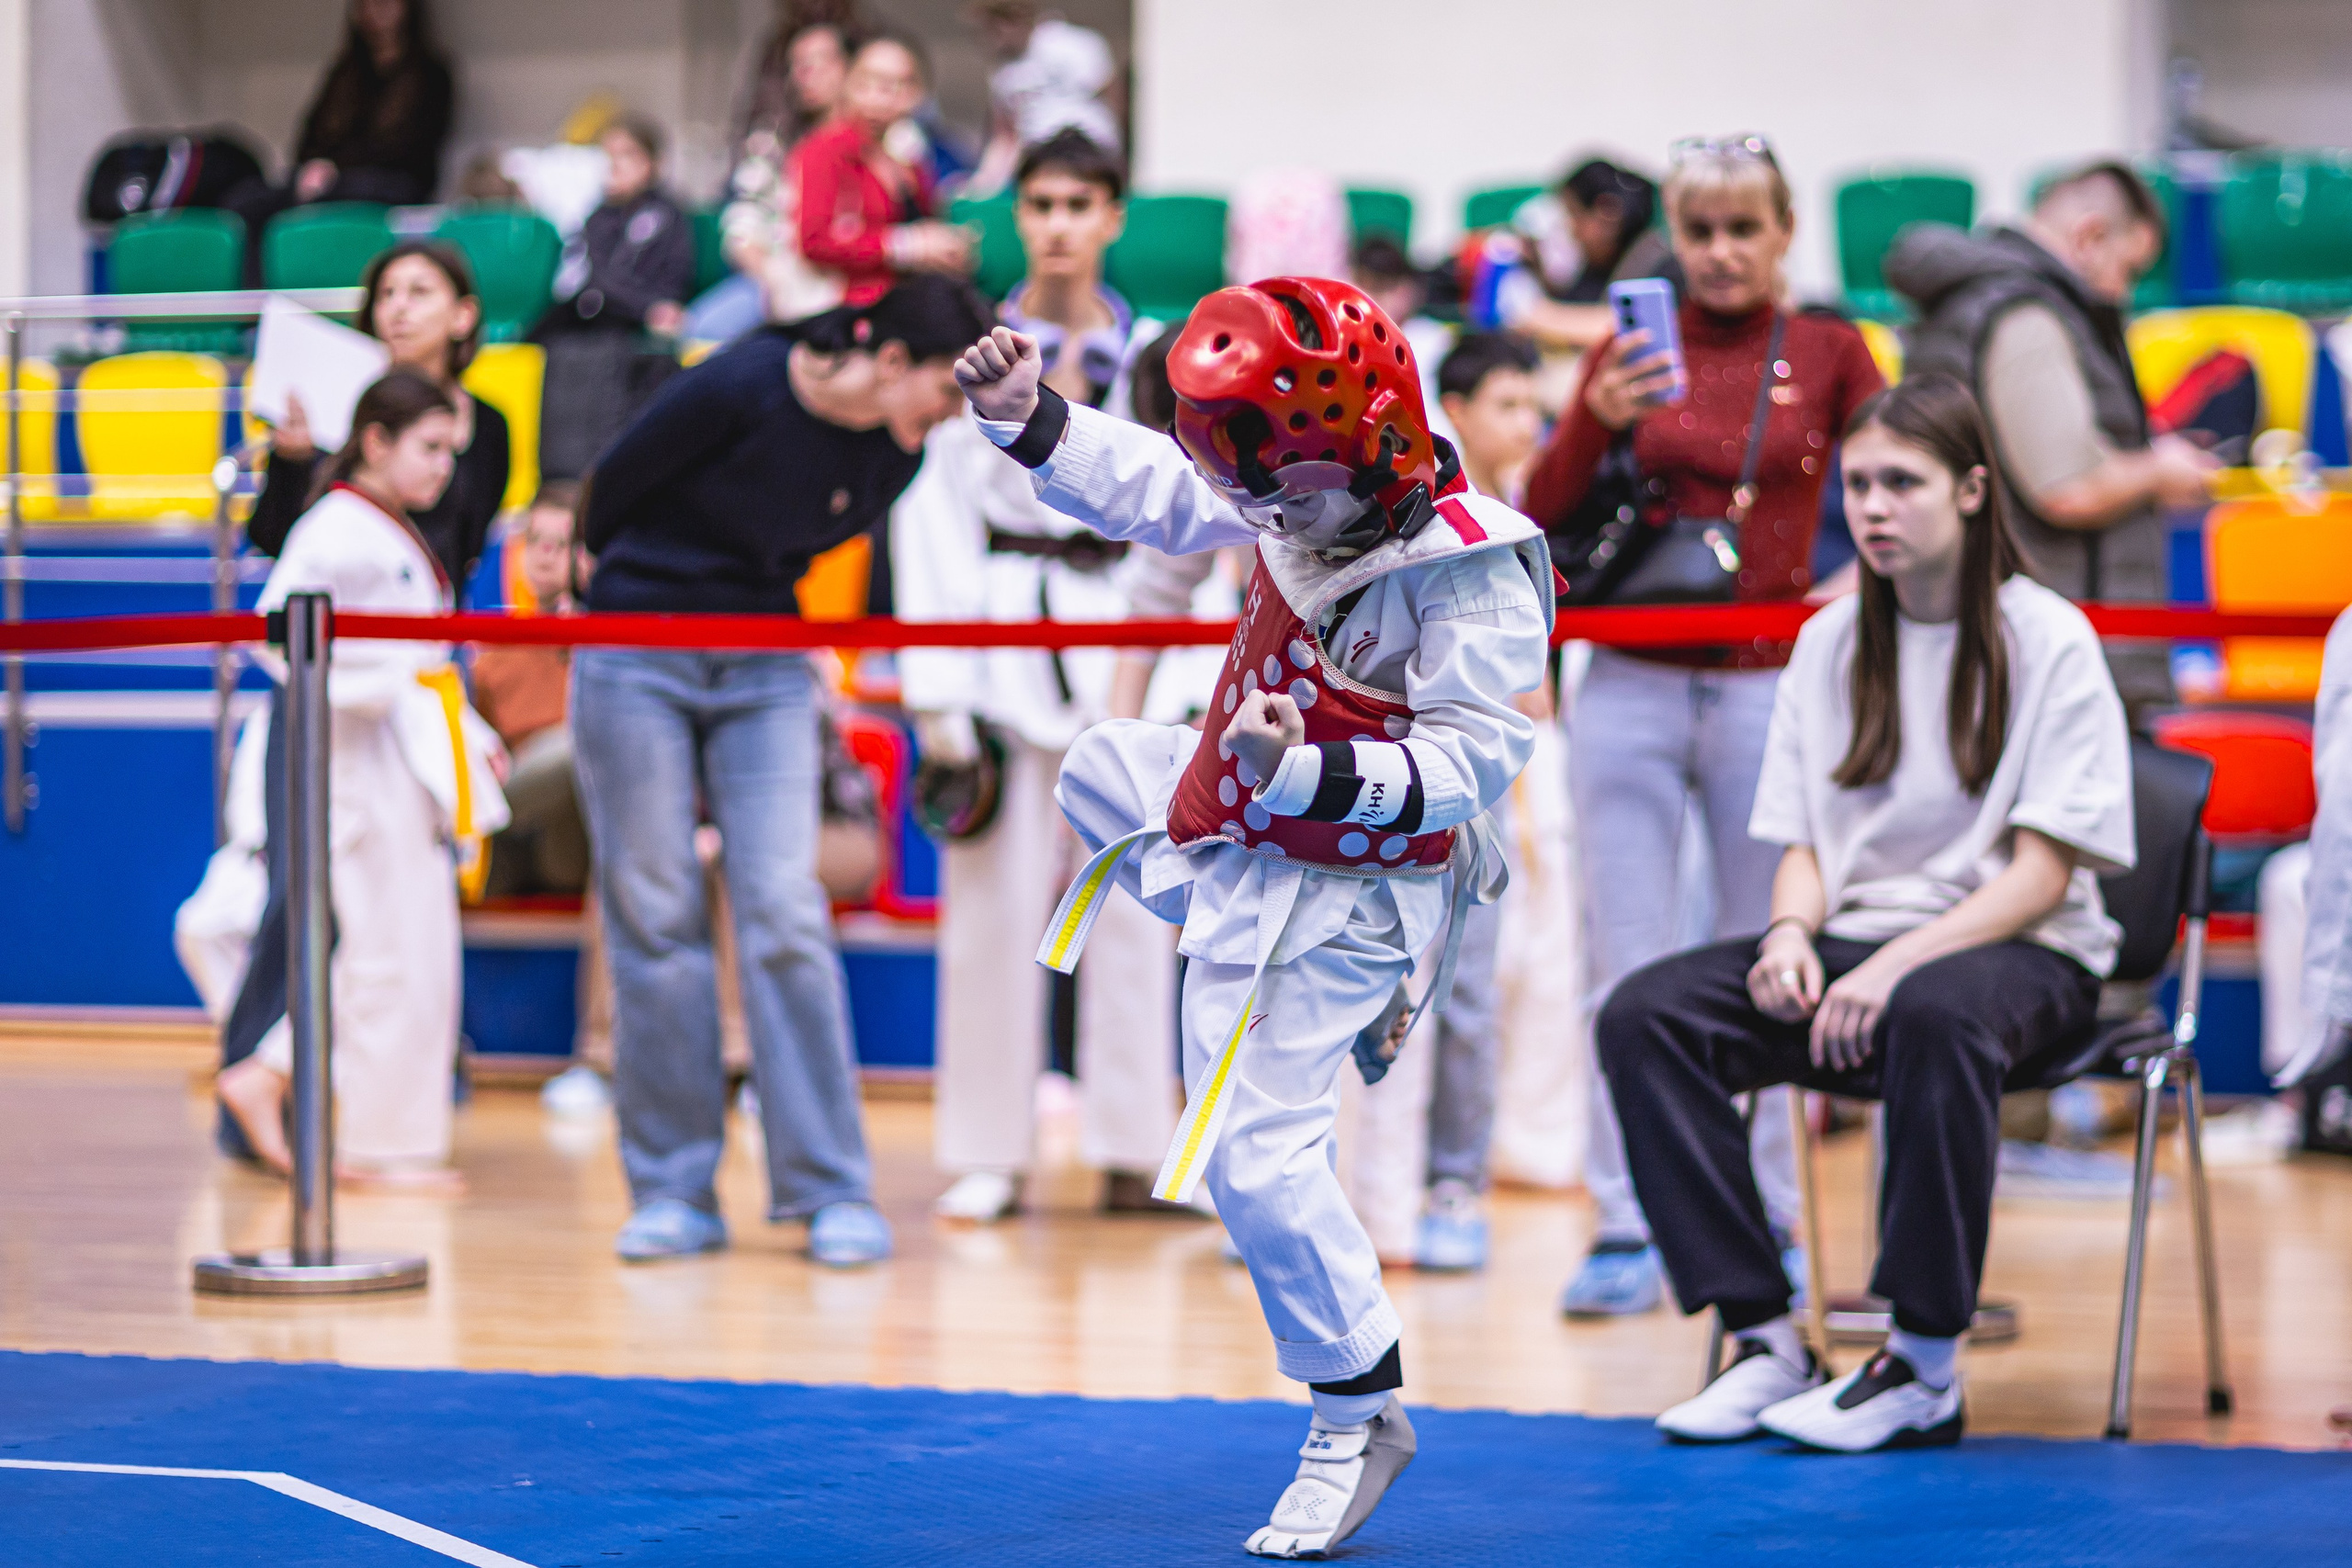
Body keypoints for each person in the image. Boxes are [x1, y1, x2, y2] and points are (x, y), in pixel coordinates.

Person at [955, 274, 1553, 1557]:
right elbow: (1166, 490)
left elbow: (1475, 762)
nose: (1269, 517)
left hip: (1365, 875)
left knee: (1253, 1161)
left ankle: (1357, 1409)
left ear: (1374, 434)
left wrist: (1307, 774)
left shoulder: (1472, 559)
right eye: (1258, 492)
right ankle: (1257, 931)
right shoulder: (1284, 480)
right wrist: (1032, 415)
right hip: (1256, 843)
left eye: (1291, 493)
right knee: (1105, 761)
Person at [1606, 374, 2133, 1451]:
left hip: (2020, 950)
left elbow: (2038, 880)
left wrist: (1888, 971)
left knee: (1936, 1010)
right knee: (1644, 1015)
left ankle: (1922, 1366)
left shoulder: (2052, 639)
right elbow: (1803, 844)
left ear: (1974, 490)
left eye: (1904, 482)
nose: (1875, 508)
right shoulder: (1830, 640)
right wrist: (1792, 933)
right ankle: (1764, 1339)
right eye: (1858, 486)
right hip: (1854, 946)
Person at [1522, 134, 1885, 1318]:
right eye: (1699, 231)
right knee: (1619, 959)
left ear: (1784, 234)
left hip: (1767, 685)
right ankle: (1625, 1219)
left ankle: (1768, 1217)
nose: (1721, 254)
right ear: (1669, 240)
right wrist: (1594, 416)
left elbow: (1903, 479)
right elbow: (1537, 510)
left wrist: (1849, 598)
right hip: (1624, 675)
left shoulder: (1832, 348)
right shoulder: (1629, 345)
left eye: (1744, 229)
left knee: (1768, 961)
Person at [574, 275, 989, 1267]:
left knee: (784, 909)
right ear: (890, 361)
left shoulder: (897, 456)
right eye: (941, 389)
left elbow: (808, 542)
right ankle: (674, 1188)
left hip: (762, 660)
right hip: (637, 649)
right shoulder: (741, 382)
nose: (946, 415)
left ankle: (827, 1187)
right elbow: (614, 486)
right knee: (656, 909)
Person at [894, 130, 1180, 1222]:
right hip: (1005, 632)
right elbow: (932, 524)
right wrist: (940, 701)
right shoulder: (975, 348)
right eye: (1042, 204)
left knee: (1142, 908)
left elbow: (1201, 513)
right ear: (1020, 215)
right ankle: (986, 1148)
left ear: (1112, 216)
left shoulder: (1159, 355)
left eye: (1080, 204)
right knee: (990, 907)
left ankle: (1131, 1146)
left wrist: (1195, 677)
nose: (1059, 223)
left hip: (1131, 629)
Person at [216, 369, 508, 1191]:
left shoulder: (384, 527)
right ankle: (371, 1141)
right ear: (376, 441)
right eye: (429, 447)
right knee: (382, 954)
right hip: (356, 763)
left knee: (405, 954)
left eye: (452, 449)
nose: (444, 466)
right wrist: (380, 691)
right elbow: (279, 642)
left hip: (400, 755)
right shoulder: (335, 529)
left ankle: (277, 1077)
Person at [1888, 160, 2217, 722]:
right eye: (2128, 269)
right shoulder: (2026, 312)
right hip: (2044, 667)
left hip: (1993, 644)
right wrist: (2162, 470)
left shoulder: (1975, 300)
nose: (2124, 291)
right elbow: (2068, 487)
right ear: (2090, 235)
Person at [247, 240, 512, 589]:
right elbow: (274, 538)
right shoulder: (333, 404)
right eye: (386, 294)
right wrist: (292, 461)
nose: (398, 308)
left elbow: (467, 551)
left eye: (419, 292)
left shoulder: (489, 424)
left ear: (463, 315)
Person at [222, 0, 454, 285]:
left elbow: (409, 150)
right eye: (366, 5)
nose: (374, 12)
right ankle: (256, 310)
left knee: (357, 188)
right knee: (246, 199)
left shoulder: (430, 73)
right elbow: (309, 137)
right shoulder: (344, 73)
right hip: (327, 180)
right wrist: (315, 168)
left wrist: (335, 170)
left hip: (394, 183)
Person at [690, 8, 864, 343]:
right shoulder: (772, 142)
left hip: (852, 276)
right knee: (700, 332)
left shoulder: (879, 140)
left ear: (850, 66)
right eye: (798, 65)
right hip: (778, 276)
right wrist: (772, 279)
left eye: (821, 61)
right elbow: (742, 222)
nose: (807, 74)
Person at [790, 32, 971, 309]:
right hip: (853, 305)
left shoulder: (906, 155)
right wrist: (905, 246)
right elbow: (815, 242)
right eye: (865, 84)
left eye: (893, 88)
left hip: (906, 293)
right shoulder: (826, 150)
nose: (877, 99)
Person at [473, 485, 590, 899]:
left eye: (559, 544)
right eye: (534, 542)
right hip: (510, 830)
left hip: (577, 842)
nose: (543, 554)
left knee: (579, 747)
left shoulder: (602, 647)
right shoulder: (493, 652)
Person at [1494, 158, 1674, 356]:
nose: (1572, 231)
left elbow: (1629, 325)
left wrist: (1536, 315)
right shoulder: (1599, 260)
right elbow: (1576, 300)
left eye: (1573, 215)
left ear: (1607, 213)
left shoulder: (1658, 260)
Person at [537, 118, 695, 341]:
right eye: (609, 154)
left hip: (641, 326)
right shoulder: (598, 217)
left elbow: (674, 280)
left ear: (652, 162)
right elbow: (596, 278)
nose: (615, 164)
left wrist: (656, 310)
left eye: (627, 154)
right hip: (596, 318)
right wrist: (646, 307)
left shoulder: (669, 215)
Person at [967, 1, 1121, 194]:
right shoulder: (1002, 71)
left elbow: (1110, 97)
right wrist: (984, 182)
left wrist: (1118, 160)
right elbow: (1006, 135)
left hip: (1088, 154)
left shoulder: (1072, 44)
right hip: (1039, 160)